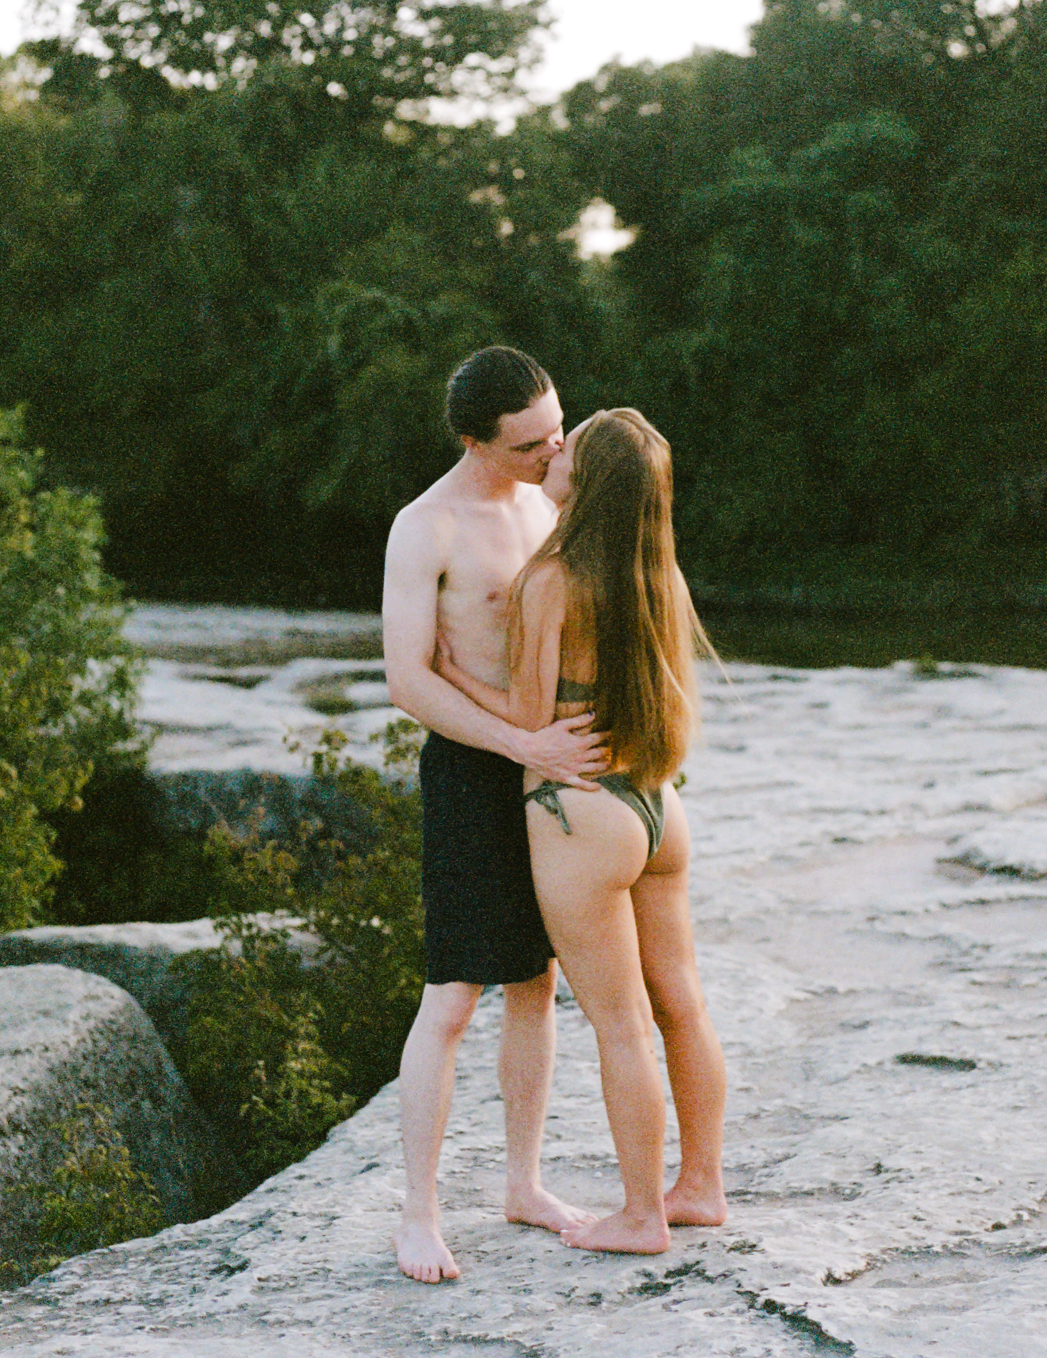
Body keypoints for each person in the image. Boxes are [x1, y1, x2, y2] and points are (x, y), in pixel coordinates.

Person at [434, 408, 729, 1255]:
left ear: (588, 482)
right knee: (681, 1003)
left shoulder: (553, 576)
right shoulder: (656, 570)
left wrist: (455, 679)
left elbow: (531, 721)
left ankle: (641, 1216)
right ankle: (699, 1186)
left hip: (582, 816)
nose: (556, 450)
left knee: (620, 1021)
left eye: (575, 442)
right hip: (655, 804)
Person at [381, 346, 608, 1284]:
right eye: (529, 444)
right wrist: (523, 746)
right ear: (476, 441)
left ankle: (524, 1184)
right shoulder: (423, 527)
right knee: (453, 997)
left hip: (553, 772)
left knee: (536, 984)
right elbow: (407, 681)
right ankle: (419, 1215)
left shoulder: (552, 497)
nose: (553, 451)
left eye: (557, 430)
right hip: (476, 777)